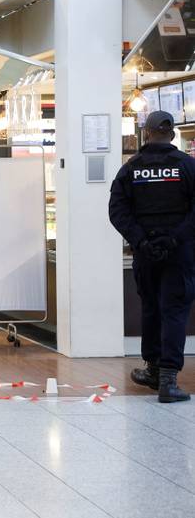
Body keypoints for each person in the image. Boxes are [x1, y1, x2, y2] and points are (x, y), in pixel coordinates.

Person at [109, 110, 195, 403]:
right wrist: (175, 238)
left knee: (151, 308)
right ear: (172, 135)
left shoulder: (130, 168)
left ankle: (153, 369)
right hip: (179, 253)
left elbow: (117, 211)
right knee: (174, 310)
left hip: (146, 254)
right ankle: (169, 379)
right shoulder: (187, 166)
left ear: (146, 133)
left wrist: (141, 240)